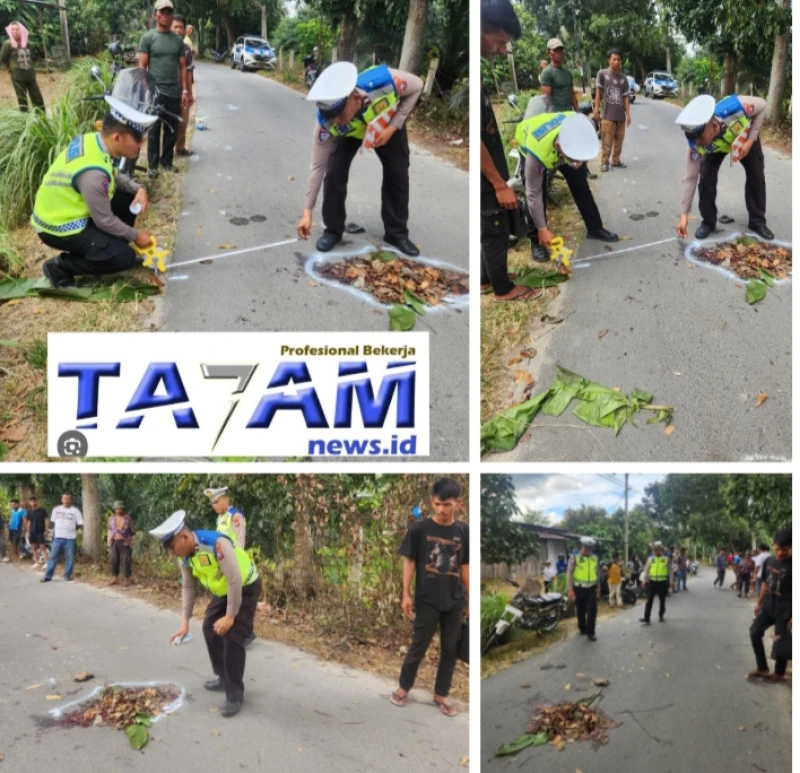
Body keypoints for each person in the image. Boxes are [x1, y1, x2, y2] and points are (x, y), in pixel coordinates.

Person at [296, 60, 423, 257]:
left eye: (338, 116)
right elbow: (317, 167)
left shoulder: (384, 81)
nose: (335, 123)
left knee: (397, 172)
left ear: (354, 98)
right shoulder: (326, 123)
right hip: (351, 133)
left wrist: (392, 128)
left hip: (386, 123)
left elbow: (417, 86)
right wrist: (307, 212)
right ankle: (333, 230)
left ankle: (396, 233)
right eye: (331, 119)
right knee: (333, 173)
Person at [31, 95, 157, 288]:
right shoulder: (93, 175)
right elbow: (105, 221)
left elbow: (112, 175)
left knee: (127, 197)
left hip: (70, 209)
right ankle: (60, 267)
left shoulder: (95, 142)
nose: (141, 144)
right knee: (124, 257)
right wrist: (135, 235)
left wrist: (138, 188)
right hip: (58, 226)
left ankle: (106, 249)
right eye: (138, 139)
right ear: (117, 138)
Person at [151, 509, 261, 717]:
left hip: (245, 586)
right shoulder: (184, 556)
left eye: (173, 547)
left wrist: (230, 617)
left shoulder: (216, 545)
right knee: (209, 627)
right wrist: (184, 622)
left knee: (233, 636)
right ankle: (223, 676)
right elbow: (188, 587)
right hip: (223, 591)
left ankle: (235, 694)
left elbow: (234, 580)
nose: (172, 553)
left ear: (184, 537)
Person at [391, 477, 469, 717]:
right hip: (427, 600)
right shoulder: (419, 529)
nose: (441, 509)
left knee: (449, 651)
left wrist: (470, 598)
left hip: (454, 601)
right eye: (437, 504)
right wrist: (405, 594)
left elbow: (465, 566)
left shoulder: (464, 531)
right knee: (418, 646)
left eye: (447, 504)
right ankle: (403, 689)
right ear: (431, 502)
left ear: (458, 503)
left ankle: (440, 696)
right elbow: (410, 562)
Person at [478, 0, 539, 301]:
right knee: (495, 228)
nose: (502, 49)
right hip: (487, 177)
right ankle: (503, 289)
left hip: (490, 172)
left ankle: (486, 279)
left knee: (491, 226)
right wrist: (500, 183)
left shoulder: (478, 71)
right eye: (500, 41)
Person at [516, 109, 618, 264]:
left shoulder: (575, 121)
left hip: (557, 143)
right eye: (573, 157)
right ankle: (536, 239)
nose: (575, 161)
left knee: (580, 184)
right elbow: (532, 194)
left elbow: (585, 136)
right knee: (538, 194)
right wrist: (543, 229)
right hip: (532, 144)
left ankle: (594, 227)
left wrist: (579, 160)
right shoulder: (536, 152)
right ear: (559, 146)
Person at [674, 94, 773, 240]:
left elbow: (762, 105)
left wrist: (750, 141)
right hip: (716, 147)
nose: (697, 144)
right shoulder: (696, 144)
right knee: (706, 179)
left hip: (743, 137)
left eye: (700, 139)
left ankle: (757, 222)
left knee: (756, 175)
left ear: (713, 126)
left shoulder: (736, 108)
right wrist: (684, 216)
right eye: (693, 140)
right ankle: (708, 222)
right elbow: (691, 179)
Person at [138, 0, 189, 178]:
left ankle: (166, 162)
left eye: (169, 12)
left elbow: (182, 67)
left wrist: (184, 91)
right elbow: (142, 65)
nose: (166, 14)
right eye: (163, 11)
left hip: (174, 92)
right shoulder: (148, 38)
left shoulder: (178, 42)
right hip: (155, 93)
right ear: (156, 15)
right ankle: (153, 167)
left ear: (172, 15)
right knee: (154, 131)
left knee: (172, 130)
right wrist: (145, 90)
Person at [205, 487, 255, 647]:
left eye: (216, 501)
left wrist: (236, 562)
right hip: (224, 560)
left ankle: (247, 633)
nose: (214, 506)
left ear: (225, 499)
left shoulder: (236, 516)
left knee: (240, 596)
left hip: (236, 561)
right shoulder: (220, 518)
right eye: (212, 503)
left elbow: (240, 541)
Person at [747, 529, 791, 683]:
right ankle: (762, 667)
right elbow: (765, 583)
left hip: (785, 611)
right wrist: (758, 602)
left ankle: (779, 673)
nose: (780, 553)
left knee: (780, 641)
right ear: (773, 545)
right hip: (768, 607)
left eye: (785, 550)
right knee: (754, 632)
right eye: (777, 549)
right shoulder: (769, 561)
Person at [594, 48, 631, 172]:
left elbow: (625, 97)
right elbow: (598, 92)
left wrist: (628, 114)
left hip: (620, 115)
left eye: (619, 60)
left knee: (619, 141)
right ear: (608, 60)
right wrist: (596, 110)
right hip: (607, 115)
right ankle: (604, 162)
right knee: (607, 141)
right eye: (614, 59)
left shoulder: (623, 78)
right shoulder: (602, 74)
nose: (616, 62)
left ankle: (615, 160)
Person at [1, 22, 45, 113]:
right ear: (10, 32)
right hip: (17, 76)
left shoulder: (27, 43)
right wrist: (11, 69)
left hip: (30, 75)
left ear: (21, 31)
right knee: (22, 99)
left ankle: (41, 117)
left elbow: (32, 57)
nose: (15, 32)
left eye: (17, 29)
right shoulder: (8, 44)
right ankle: (25, 120)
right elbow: (3, 59)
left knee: (37, 97)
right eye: (13, 30)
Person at [42, 493, 83, 582]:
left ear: (71, 500)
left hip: (70, 538)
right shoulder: (56, 510)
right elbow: (53, 521)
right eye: (65, 499)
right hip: (58, 537)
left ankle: (67, 575)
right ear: (62, 500)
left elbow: (79, 523)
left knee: (70, 557)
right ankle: (48, 576)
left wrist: (73, 528)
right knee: (53, 556)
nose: (66, 501)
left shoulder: (75, 511)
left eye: (68, 499)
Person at [568, 536, 600, 641]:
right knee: (580, 610)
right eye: (587, 548)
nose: (588, 551)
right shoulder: (575, 557)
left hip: (591, 588)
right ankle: (582, 628)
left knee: (593, 610)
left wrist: (598, 587)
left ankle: (590, 632)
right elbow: (569, 573)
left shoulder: (595, 558)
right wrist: (571, 589)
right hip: (579, 588)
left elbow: (597, 573)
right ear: (582, 547)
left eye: (590, 549)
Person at [172, 14, 195, 158]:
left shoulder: (186, 49)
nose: (178, 30)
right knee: (167, 122)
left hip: (183, 90)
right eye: (176, 27)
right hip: (167, 90)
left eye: (181, 27)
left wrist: (190, 93)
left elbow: (189, 72)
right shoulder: (165, 45)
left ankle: (180, 148)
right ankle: (165, 152)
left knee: (183, 120)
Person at [640, 541, 672, 624]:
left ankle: (661, 615)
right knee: (649, 600)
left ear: (660, 550)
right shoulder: (650, 559)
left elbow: (670, 571)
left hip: (662, 583)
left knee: (662, 600)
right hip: (652, 582)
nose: (655, 551)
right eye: (653, 550)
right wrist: (644, 580)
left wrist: (671, 581)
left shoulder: (666, 559)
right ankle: (646, 618)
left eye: (656, 550)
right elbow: (646, 570)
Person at [107, 501, 135, 585]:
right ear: (114, 509)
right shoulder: (111, 519)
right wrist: (108, 543)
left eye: (120, 508)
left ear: (123, 509)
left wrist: (130, 542)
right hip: (114, 541)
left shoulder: (128, 519)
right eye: (117, 508)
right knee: (114, 559)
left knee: (126, 560)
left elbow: (133, 531)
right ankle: (115, 577)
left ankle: (127, 579)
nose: (119, 510)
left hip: (125, 542)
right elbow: (109, 530)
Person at [26, 494, 49, 566]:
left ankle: (47, 563)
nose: (33, 503)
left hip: (40, 531)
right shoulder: (29, 512)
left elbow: (46, 520)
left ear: (36, 501)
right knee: (34, 547)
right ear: (29, 503)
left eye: (34, 501)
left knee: (43, 547)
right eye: (31, 501)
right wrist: (28, 532)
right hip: (32, 532)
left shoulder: (42, 510)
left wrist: (46, 530)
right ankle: (36, 562)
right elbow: (29, 522)